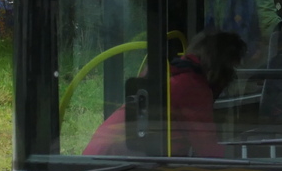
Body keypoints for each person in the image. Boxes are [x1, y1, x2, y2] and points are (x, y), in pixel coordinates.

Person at [83, 31, 246, 158]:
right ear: (220, 68)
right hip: (116, 163)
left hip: (101, 156)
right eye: (231, 68)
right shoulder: (192, 87)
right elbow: (209, 151)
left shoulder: (172, 73)